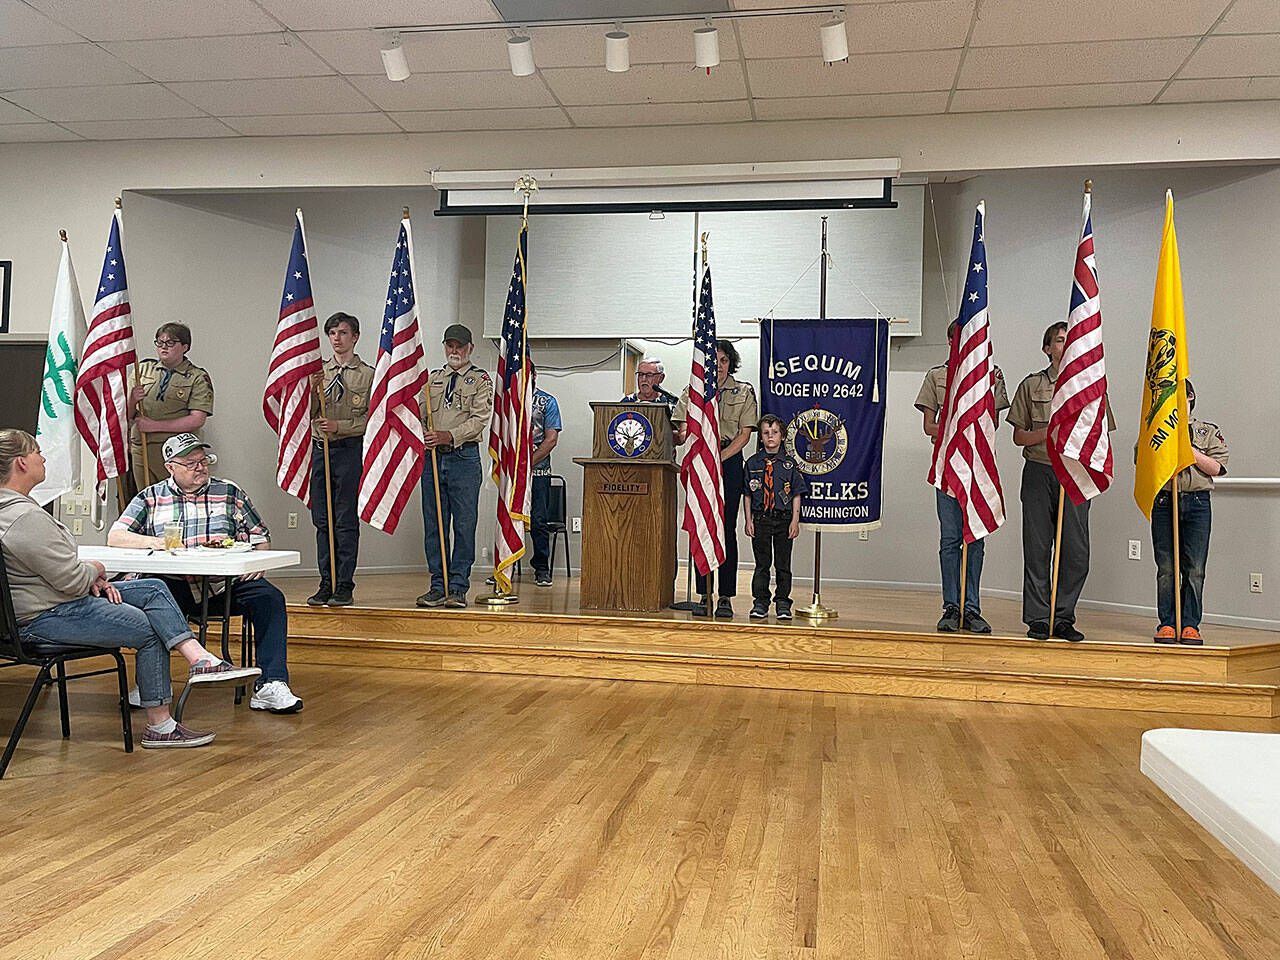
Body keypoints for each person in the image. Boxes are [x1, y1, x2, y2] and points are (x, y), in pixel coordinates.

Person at [0, 429, 257, 749]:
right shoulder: (23, 517)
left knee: (152, 588)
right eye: (37, 452)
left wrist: (87, 576)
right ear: (22, 463)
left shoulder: (12, 510)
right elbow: (71, 580)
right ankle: (160, 727)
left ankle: (201, 659)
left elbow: (53, 571)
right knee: (150, 628)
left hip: (48, 602)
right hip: (46, 616)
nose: (43, 457)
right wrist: (96, 570)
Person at [107, 433, 303, 714]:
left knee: (269, 597)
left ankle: (271, 685)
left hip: (224, 586)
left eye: (203, 461)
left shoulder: (229, 492)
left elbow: (260, 536)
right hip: (173, 587)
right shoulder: (150, 497)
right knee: (152, 595)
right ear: (170, 467)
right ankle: (152, 685)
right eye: (190, 463)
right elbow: (116, 536)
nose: (200, 467)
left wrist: (259, 561)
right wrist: (155, 542)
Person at [1007, 321, 1115, 642]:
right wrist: (1052, 432)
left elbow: (1100, 434)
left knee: (1076, 551)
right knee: (1038, 547)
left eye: (1071, 340)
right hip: (1039, 471)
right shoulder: (1032, 385)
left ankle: (1063, 616)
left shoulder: (1091, 385)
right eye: (1059, 340)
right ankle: (1039, 618)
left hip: (1075, 474)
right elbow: (1019, 436)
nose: (1065, 345)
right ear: (1047, 348)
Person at [914, 320, 1010, 634]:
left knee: (976, 538)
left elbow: (991, 424)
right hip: (947, 467)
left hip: (977, 466)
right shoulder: (936, 376)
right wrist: (955, 431)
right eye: (958, 337)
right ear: (950, 340)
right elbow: (929, 426)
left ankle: (972, 609)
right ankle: (951, 607)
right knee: (950, 539)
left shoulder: (990, 375)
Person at [673, 339, 758, 618]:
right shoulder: (692, 391)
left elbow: (745, 435)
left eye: (724, 361)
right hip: (701, 461)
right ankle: (704, 593)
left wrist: (717, 458)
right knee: (701, 526)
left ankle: (725, 596)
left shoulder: (743, 391)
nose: (719, 366)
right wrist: (693, 446)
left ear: (730, 363)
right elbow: (683, 429)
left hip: (728, 461)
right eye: (714, 360)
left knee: (726, 530)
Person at [417, 324, 494, 609]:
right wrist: (424, 434)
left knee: (463, 525)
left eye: (459, 346)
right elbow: (419, 414)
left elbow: (479, 419)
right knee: (434, 525)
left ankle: (458, 587)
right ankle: (438, 585)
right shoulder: (432, 380)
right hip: (433, 459)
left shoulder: (480, 380)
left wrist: (449, 435)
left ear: (469, 348)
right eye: (450, 345)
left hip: (463, 458)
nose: (454, 351)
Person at [1150, 380, 1228, 646]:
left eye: (1178, 396)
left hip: (1197, 502)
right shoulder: (1155, 429)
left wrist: (1188, 450)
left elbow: (1217, 467)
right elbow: (1144, 462)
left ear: (1191, 396)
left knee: (1195, 568)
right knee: (1166, 567)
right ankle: (1167, 623)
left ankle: (1190, 624)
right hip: (1165, 501)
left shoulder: (1207, 431)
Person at [307, 312, 374, 608]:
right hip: (320, 450)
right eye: (332, 333)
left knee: (345, 520)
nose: (337, 338)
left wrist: (340, 426)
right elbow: (304, 413)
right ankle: (326, 581)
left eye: (343, 333)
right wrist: (311, 390)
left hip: (349, 450)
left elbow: (373, 419)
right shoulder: (319, 372)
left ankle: (344, 583)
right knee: (322, 520)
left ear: (355, 337)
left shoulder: (368, 375)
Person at [127, 322, 214, 489]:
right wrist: (132, 400)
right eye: (159, 342)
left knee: (176, 497)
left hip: (178, 453)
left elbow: (197, 420)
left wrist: (154, 426)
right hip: (142, 448)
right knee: (146, 498)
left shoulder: (196, 377)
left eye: (170, 342)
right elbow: (124, 414)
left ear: (184, 347)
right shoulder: (142, 370)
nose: (163, 347)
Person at [743, 415, 808, 621]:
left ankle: (782, 602)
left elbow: (796, 494)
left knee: (783, 564)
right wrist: (748, 520)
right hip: (761, 519)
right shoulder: (752, 463)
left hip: (784, 520)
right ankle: (760, 602)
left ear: (782, 436)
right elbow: (747, 494)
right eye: (766, 433)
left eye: (775, 432)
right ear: (761, 437)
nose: (770, 436)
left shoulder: (789, 464)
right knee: (762, 564)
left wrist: (795, 521)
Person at [528, 364, 562, 587]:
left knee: (538, 520)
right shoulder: (508, 402)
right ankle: (504, 568)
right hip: (511, 473)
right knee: (507, 516)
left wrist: (527, 463)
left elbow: (551, 440)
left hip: (538, 471)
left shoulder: (547, 402)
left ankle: (541, 568)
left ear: (534, 375)